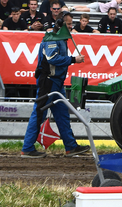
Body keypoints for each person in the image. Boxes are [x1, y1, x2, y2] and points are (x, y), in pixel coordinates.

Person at [21, 14, 89, 158]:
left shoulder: (61, 39)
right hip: (48, 82)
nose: (71, 27)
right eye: (69, 24)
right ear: (60, 24)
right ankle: (27, 148)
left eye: (71, 24)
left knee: (63, 114)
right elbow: (52, 58)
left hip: (57, 82)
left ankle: (71, 146)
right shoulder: (51, 39)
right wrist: (73, 59)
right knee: (39, 113)